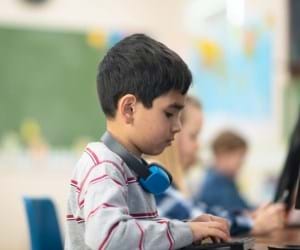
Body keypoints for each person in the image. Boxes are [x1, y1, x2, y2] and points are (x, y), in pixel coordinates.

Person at [65, 34, 230, 250]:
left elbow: (139, 232)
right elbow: (109, 237)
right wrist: (187, 232)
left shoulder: (131, 166)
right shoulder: (103, 167)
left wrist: (185, 228)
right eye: (170, 114)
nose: (178, 126)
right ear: (129, 109)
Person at [152, 96, 285, 236]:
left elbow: (203, 211)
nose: (199, 145)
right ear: (172, 133)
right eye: (193, 136)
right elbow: (197, 219)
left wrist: (249, 216)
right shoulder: (156, 186)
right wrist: (253, 224)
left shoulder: (223, 182)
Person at [196, 130, 252, 212]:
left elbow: (244, 207)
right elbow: (239, 213)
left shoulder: (227, 181)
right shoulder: (215, 188)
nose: (242, 162)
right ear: (222, 154)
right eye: (240, 156)